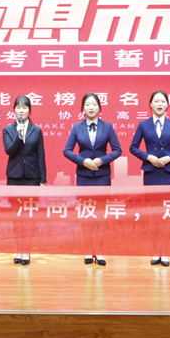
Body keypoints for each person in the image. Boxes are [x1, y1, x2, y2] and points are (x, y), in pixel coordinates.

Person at [129, 90, 170, 267]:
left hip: (168, 172)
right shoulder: (143, 124)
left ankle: (165, 252)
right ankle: (156, 251)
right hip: (151, 172)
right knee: (153, 213)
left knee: (166, 213)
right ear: (151, 104)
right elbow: (133, 147)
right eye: (156, 101)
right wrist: (148, 157)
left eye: (163, 101)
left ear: (167, 105)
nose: (159, 104)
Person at [63, 92, 122, 267]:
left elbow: (117, 150)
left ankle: (100, 250)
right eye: (87, 104)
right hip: (84, 177)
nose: (91, 107)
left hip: (102, 177)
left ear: (99, 107)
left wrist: (101, 160)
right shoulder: (77, 127)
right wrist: (83, 161)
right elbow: (67, 150)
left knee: (101, 215)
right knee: (87, 214)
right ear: (82, 108)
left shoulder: (108, 127)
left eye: (94, 104)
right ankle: (89, 250)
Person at [3, 95, 47, 266]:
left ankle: (26, 250)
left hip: (32, 177)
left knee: (29, 215)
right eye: (18, 107)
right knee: (16, 215)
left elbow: (41, 155)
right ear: (14, 110)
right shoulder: (8, 129)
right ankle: (18, 249)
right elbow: (9, 150)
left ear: (29, 110)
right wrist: (18, 135)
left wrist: (42, 180)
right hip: (14, 177)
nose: (21, 110)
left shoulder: (36, 130)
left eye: (24, 107)